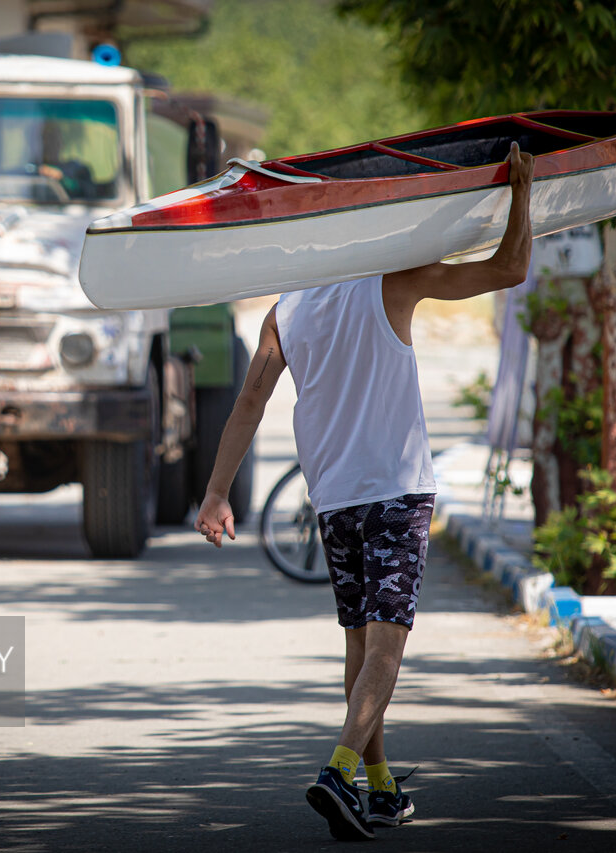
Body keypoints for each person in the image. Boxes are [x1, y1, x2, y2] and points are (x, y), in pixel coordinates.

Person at [195, 142, 534, 840]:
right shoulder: (392, 278)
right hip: (397, 491)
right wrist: (522, 193)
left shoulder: (285, 311)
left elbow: (248, 404)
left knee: (357, 642)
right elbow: (511, 266)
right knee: (386, 645)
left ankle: (379, 789)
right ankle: (340, 769)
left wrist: (216, 493)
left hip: (335, 497)